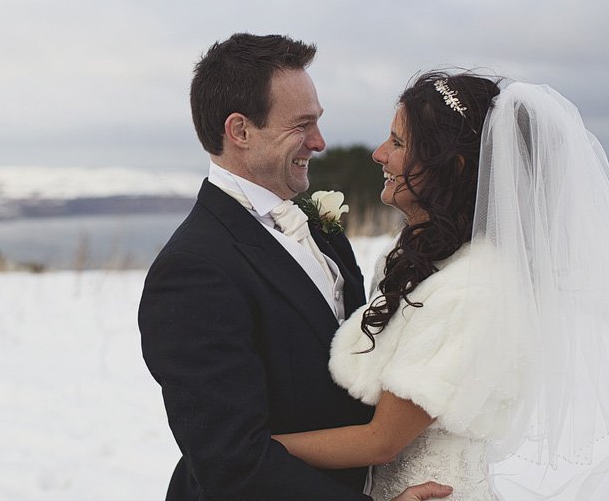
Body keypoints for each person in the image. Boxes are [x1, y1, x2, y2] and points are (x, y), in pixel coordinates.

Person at [273, 71, 609, 500]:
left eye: (399, 143)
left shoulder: (474, 287)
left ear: (451, 166)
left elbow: (382, 441)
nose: (379, 154)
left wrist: (251, 451)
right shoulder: (415, 261)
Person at [139, 33, 452, 501]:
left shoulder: (320, 228)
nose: (320, 142)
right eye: (301, 125)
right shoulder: (192, 271)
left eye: (318, 122)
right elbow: (231, 462)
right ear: (240, 131)